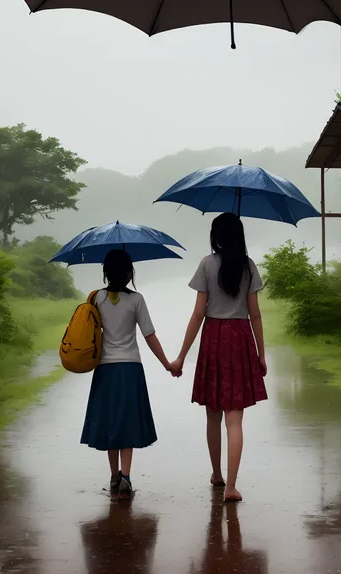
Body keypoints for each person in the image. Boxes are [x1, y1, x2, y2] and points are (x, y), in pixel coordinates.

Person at [170, 213, 267, 502]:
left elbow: (198, 314)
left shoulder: (206, 264)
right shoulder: (248, 267)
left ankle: (217, 474)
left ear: (215, 236)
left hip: (213, 339)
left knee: (213, 414)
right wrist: (261, 355)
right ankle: (231, 487)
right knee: (234, 420)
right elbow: (255, 314)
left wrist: (180, 356)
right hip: (239, 340)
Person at [80, 249, 174, 500]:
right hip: (130, 368)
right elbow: (149, 335)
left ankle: (113, 476)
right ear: (130, 272)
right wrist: (167, 364)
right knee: (127, 423)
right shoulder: (136, 300)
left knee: (110, 422)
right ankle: (126, 477)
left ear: (105, 272)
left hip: (105, 368)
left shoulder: (95, 299)